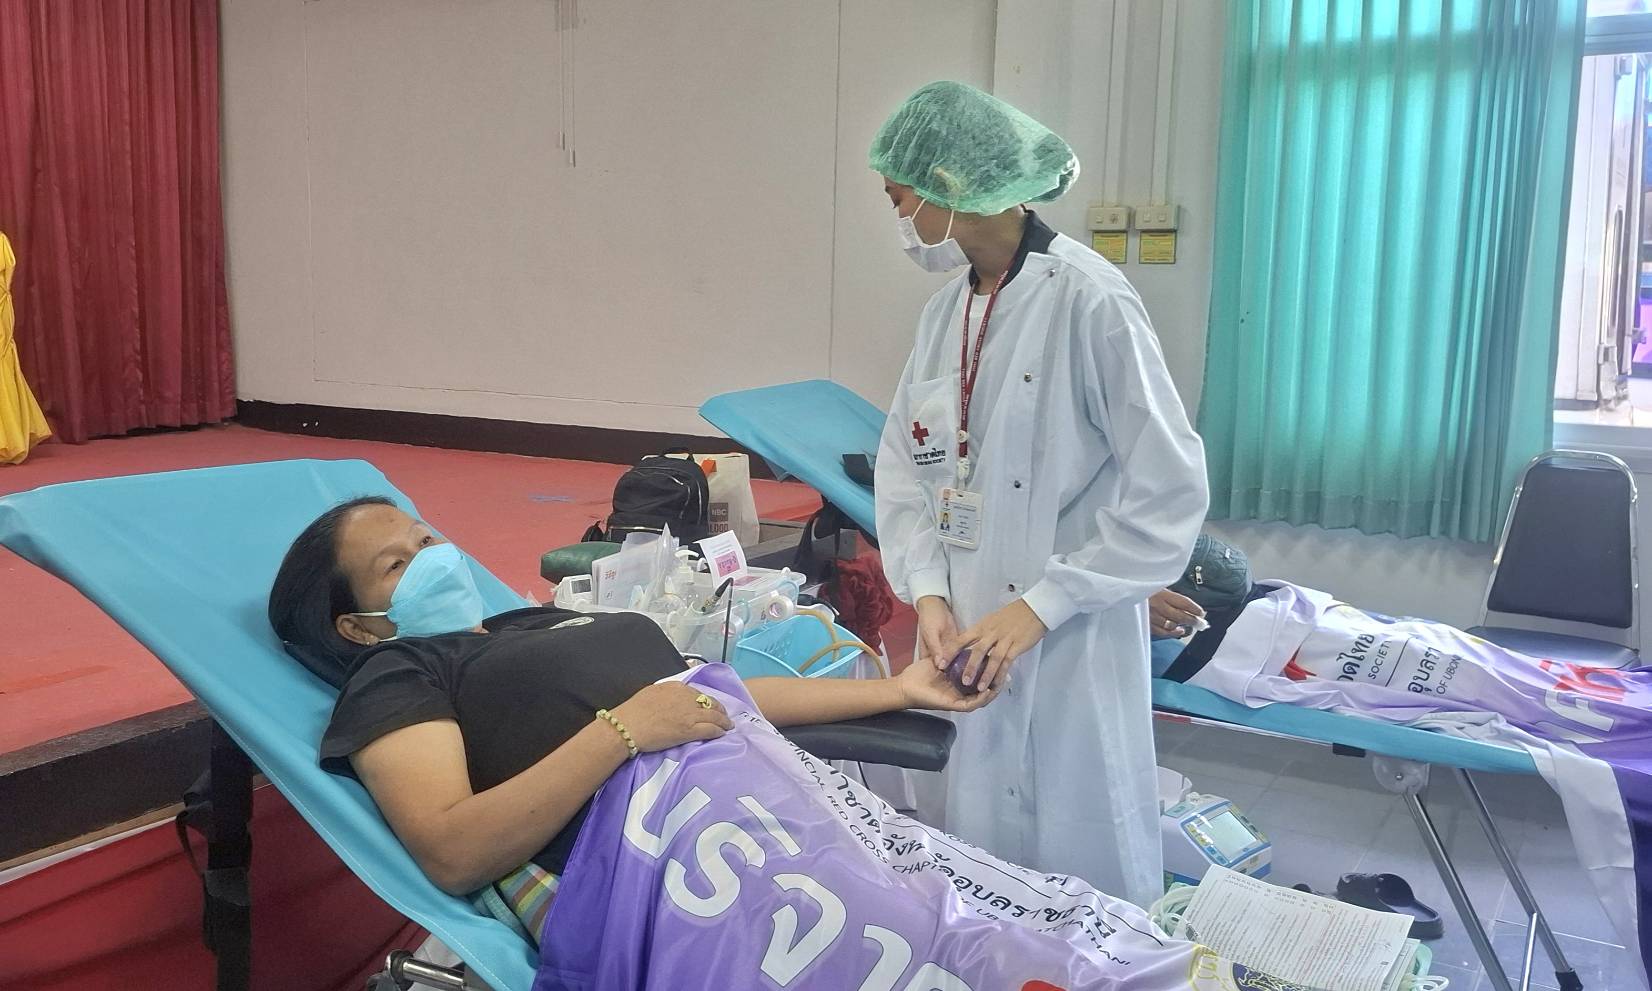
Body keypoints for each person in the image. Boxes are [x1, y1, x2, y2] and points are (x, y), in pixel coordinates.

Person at [267, 496, 997, 937]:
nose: (429, 556)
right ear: (356, 626)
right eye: (395, 565)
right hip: (694, 872)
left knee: (992, 927)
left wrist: (899, 690)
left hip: (778, 820)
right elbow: (452, 850)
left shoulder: (525, 622)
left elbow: (713, 695)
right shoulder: (399, 671)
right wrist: (622, 731)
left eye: (425, 538)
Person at [870, 81, 1209, 907]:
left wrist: (1043, 605)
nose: (899, 217)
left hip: (1069, 643)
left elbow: (1168, 489)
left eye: (899, 195)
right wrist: (929, 591)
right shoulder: (945, 313)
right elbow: (905, 466)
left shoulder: (1092, 300)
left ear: (950, 183)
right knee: (975, 869)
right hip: (961, 636)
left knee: (1079, 865)